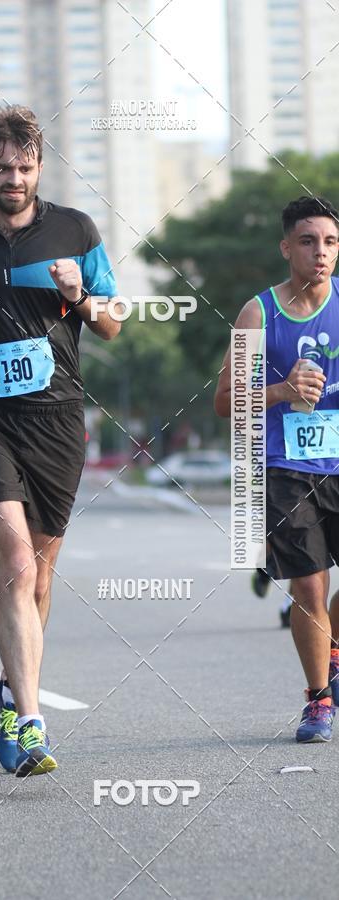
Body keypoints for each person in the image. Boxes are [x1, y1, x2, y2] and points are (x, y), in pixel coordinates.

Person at [0, 106, 120, 775]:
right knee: (14, 562)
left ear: (41, 168)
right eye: (3, 167)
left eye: (26, 167)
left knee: (39, 574)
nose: (15, 178)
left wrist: (81, 295)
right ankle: (32, 724)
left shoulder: (76, 229)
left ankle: (12, 689)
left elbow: (113, 322)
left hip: (57, 420)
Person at [215, 195, 339, 742]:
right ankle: (318, 699)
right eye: (308, 242)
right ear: (286, 247)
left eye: (330, 242)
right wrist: (283, 391)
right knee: (309, 588)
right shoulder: (258, 314)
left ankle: (332, 650)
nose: (321, 252)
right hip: (286, 466)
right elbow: (224, 402)